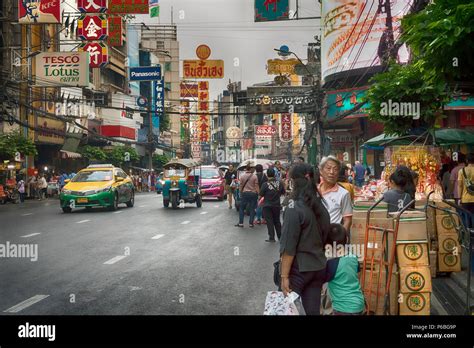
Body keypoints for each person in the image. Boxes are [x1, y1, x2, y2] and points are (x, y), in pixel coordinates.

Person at [279, 163, 331, 315]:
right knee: (312, 311)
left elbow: (288, 246)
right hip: (318, 267)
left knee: (289, 311)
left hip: (298, 270)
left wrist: (284, 276)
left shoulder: (293, 206)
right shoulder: (320, 206)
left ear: (293, 182)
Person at [324, 224, 365, 315]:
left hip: (342, 308)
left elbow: (319, 281)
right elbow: (357, 275)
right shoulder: (354, 258)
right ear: (347, 239)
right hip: (359, 304)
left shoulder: (331, 265)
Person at [319, 156, 353, 232]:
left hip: (332, 237)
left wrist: (341, 237)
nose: (332, 172)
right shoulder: (314, 191)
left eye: (335, 169)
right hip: (316, 238)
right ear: (321, 171)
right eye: (328, 168)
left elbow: (348, 220)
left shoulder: (343, 193)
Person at [259, 168, 285, 242]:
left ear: (267, 175)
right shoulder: (279, 183)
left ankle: (272, 237)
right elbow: (283, 192)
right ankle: (280, 236)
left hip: (267, 205)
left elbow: (260, 195)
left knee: (269, 221)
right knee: (277, 221)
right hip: (276, 205)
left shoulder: (265, 184)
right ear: (274, 174)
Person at [235, 164, 259, 228]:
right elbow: (256, 186)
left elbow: (240, 186)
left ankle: (241, 223)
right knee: (252, 208)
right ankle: (251, 223)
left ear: (246, 169)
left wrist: (240, 193)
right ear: (251, 169)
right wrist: (259, 193)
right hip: (253, 194)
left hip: (245, 193)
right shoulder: (254, 176)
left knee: (242, 208)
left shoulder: (242, 176)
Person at [458, 153, 474, 229]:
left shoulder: (461, 171)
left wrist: (459, 198)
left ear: (467, 160)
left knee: (466, 218)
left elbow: (460, 185)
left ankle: (468, 237)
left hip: (465, 199)